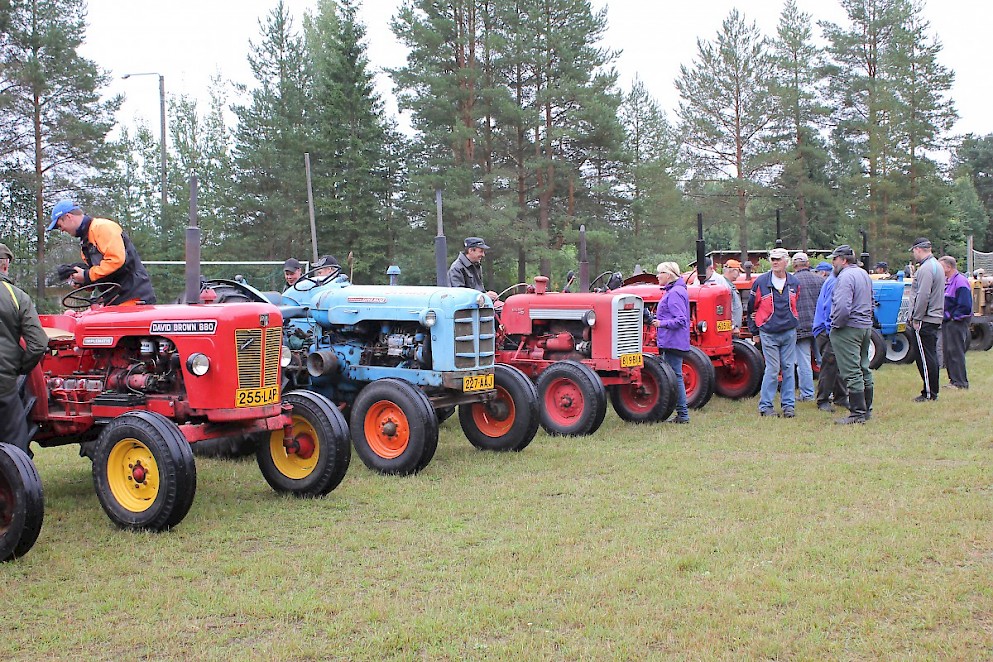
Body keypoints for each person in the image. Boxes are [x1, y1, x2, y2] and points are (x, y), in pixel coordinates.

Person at [47, 199, 156, 305]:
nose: (61, 230)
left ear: (68, 217)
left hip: (133, 298)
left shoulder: (102, 227)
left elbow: (116, 260)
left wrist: (87, 275)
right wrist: (82, 281)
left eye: (59, 225)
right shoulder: (86, 241)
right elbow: (101, 273)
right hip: (115, 300)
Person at [0, 244, 48, 455]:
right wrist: (19, 367)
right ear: (5, 265)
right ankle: (15, 485)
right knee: (14, 440)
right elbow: (38, 343)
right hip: (4, 379)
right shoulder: (16, 296)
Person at [746, 247, 800, 418]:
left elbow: (795, 303)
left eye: (778, 259)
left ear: (786, 261)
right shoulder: (760, 282)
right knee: (772, 368)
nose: (775, 262)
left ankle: (788, 406)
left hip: (789, 332)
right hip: (768, 332)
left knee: (789, 367)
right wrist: (754, 331)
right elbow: (751, 308)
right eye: (772, 259)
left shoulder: (794, 282)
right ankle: (765, 406)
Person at [829, 244, 875, 424]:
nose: (833, 263)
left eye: (835, 259)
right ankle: (866, 409)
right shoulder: (863, 274)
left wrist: (836, 325)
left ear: (843, 260)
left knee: (851, 371)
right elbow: (871, 300)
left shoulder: (845, 276)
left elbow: (842, 306)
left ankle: (857, 413)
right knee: (864, 367)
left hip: (848, 328)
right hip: (864, 326)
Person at [652, 262, 690, 424]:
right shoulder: (677, 290)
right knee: (675, 376)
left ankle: (682, 414)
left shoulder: (674, 293)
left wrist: (661, 324)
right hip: (672, 340)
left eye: (660, 273)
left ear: (668, 275)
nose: (657, 276)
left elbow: (681, 319)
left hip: (672, 341)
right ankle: (681, 413)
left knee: (675, 377)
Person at [907, 237, 943, 402]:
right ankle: (931, 390)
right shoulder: (936, 266)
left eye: (914, 251)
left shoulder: (926, 269)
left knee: (924, 357)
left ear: (918, 249)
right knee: (930, 355)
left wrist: (916, 317)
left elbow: (923, 295)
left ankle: (929, 393)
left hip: (925, 319)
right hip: (932, 317)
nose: (914, 255)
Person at [812, 264, 849, 413]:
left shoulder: (835, 279)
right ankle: (823, 400)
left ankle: (840, 397)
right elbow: (829, 308)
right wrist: (830, 330)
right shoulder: (835, 282)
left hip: (827, 328)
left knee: (838, 364)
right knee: (829, 364)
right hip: (826, 329)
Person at [790, 252, 823, 402]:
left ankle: (807, 394)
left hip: (800, 327)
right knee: (824, 360)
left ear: (794, 265)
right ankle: (828, 392)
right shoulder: (820, 280)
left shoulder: (791, 282)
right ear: (808, 264)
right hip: (819, 326)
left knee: (803, 363)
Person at [939, 255, 971, 390]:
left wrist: (953, 317)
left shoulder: (960, 282)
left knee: (956, 351)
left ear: (948, 267)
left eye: (941, 267)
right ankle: (953, 381)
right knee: (948, 352)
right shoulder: (948, 282)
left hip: (956, 322)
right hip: (948, 322)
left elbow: (966, 305)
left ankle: (961, 383)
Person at [704, 257, 742, 335]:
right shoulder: (723, 283)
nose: (739, 274)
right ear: (733, 270)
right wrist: (734, 326)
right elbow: (730, 305)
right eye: (738, 271)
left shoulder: (724, 283)